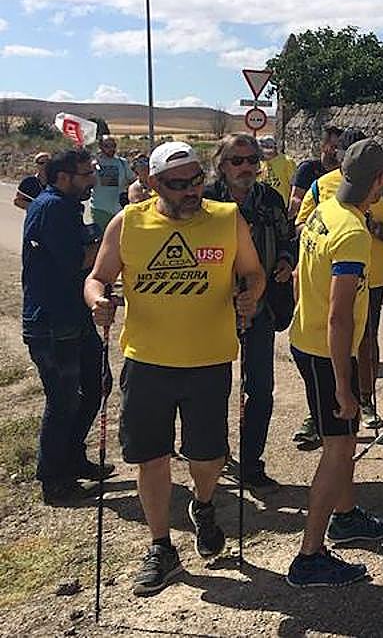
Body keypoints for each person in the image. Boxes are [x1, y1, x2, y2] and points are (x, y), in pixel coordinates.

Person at [85, 140, 265, 596]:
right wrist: (98, 302)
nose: (191, 190)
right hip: (146, 362)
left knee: (208, 458)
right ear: (154, 183)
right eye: (178, 184)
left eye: (197, 180)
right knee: (151, 456)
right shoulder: (130, 223)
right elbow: (96, 278)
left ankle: (204, 505)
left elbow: (254, 272)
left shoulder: (227, 220)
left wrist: (251, 294)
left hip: (209, 361)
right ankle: (161, 546)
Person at [286, 138, 383, 588]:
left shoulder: (323, 212)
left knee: (345, 442)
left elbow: (299, 277)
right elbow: (338, 315)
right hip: (326, 352)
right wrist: (343, 386)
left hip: (308, 342)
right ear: (377, 181)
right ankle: (309, 556)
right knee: (336, 449)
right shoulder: (353, 234)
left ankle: (346, 516)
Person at [295, 128, 383, 432]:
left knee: (366, 341)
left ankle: (363, 400)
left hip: (366, 284)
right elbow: (338, 318)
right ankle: (329, 405)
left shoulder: (339, 204)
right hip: (329, 312)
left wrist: (375, 230)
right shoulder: (326, 195)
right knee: (338, 448)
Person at [204, 134, 295, 485]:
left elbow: (287, 238)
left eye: (252, 160)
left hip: (262, 307)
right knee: (213, 387)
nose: (246, 167)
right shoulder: (206, 200)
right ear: (221, 165)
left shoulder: (270, 199)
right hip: (212, 311)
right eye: (237, 161)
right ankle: (215, 453)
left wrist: (286, 261)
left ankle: (252, 463)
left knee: (259, 388)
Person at [22, 149, 110, 504]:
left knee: (95, 386)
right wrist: (108, 245)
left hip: (74, 317)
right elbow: (79, 260)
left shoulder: (64, 205)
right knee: (63, 400)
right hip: (53, 323)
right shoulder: (54, 208)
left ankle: (72, 458)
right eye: (86, 173)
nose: (92, 179)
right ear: (63, 177)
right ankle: (54, 479)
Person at [289, 124, 343, 218]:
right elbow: (295, 198)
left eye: (339, 148)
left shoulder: (343, 173)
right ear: (323, 146)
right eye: (333, 147)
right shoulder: (307, 169)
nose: (336, 151)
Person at [92, 134, 134, 233]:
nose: (111, 149)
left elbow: (132, 180)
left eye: (113, 146)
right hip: (100, 209)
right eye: (107, 146)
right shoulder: (95, 163)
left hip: (119, 209)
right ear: (101, 147)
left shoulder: (122, 163)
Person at [259, 136, 297, 206]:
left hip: (281, 206)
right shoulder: (261, 164)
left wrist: (291, 206)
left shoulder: (287, 162)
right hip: (264, 207)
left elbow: (294, 185)